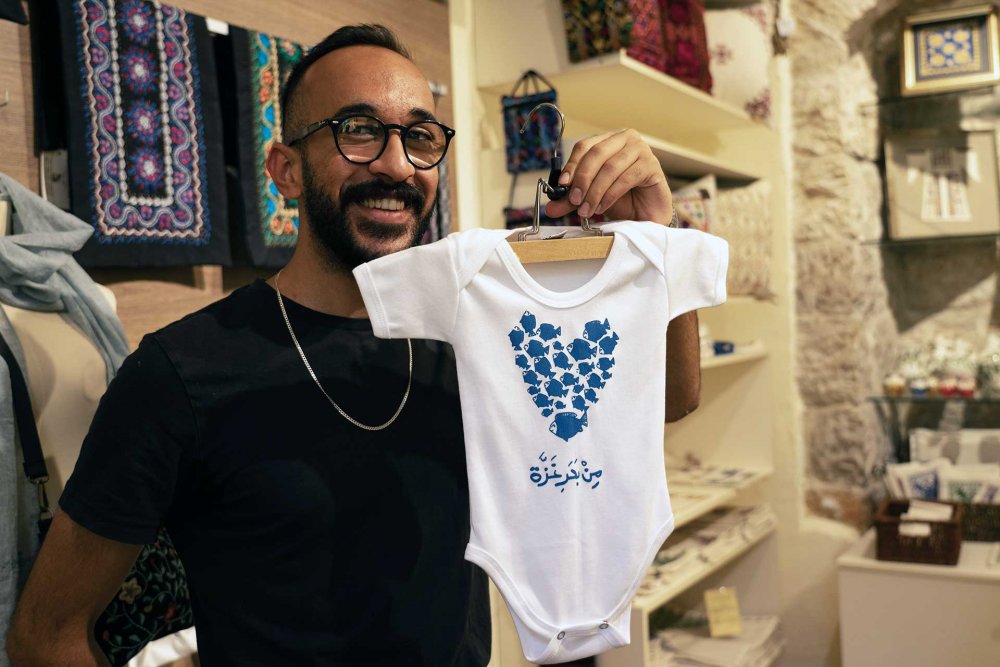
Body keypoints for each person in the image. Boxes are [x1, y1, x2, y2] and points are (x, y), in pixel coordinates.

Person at [6, 23, 701, 667]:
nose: (397, 165)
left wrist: (655, 245)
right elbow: (46, 632)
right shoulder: (182, 371)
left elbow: (668, 400)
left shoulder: (471, 337)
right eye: (359, 130)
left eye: (421, 137)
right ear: (284, 169)